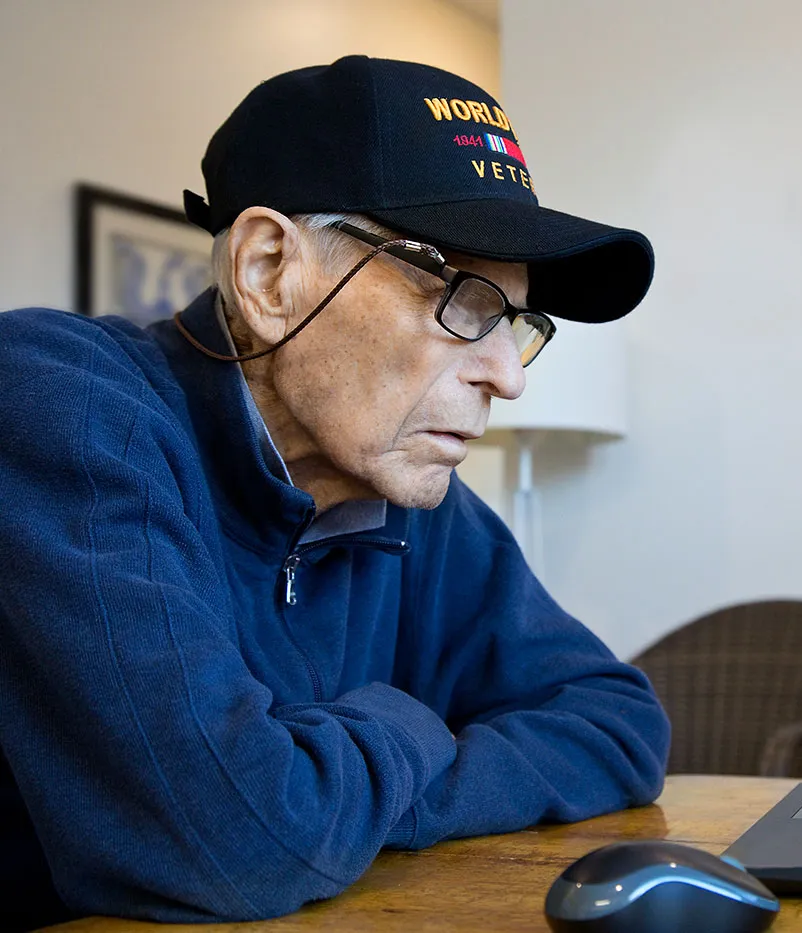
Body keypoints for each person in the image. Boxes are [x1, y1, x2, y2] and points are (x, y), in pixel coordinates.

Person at [0, 56, 669, 930]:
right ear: (271, 272)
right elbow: (243, 842)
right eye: (462, 296)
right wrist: (409, 724)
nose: (508, 376)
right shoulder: (63, 406)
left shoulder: (405, 496)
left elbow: (620, 722)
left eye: (515, 321)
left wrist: (349, 799)